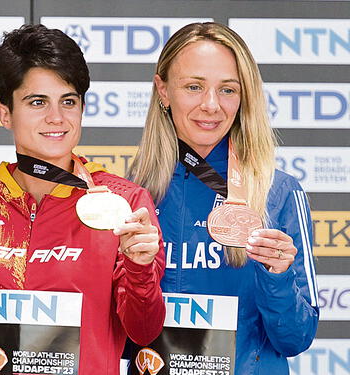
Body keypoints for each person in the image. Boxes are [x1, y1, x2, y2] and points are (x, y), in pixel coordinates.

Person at [0, 24, 165, 375]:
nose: (57, 118)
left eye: (68, 101)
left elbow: (143, 331)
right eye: (37, 102)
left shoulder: (123, 202)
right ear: (5, 113)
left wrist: (140, 270)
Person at [126, 22, 319, 374]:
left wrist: (277, 275)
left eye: (227, 89)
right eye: (194, 86)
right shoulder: (129, 194)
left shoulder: (278, 192)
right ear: (164, 91)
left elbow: (296, 338)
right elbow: (119, 340)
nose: (211, 105)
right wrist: (135, 275)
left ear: (244, 96)